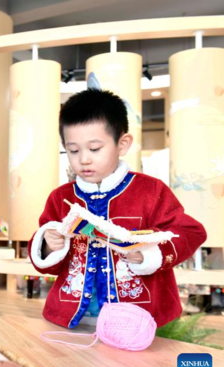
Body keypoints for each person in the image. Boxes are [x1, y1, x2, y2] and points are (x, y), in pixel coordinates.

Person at [28, 88, 206, 329]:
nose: (84, 159)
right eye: (73, 150)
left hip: (140, 317)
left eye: (94, 149)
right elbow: (47, 261)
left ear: (122, 144)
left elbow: (191, 232)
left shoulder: (150, 190)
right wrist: (48, 245)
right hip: (73, 318)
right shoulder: (61, 197)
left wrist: (149, 255)